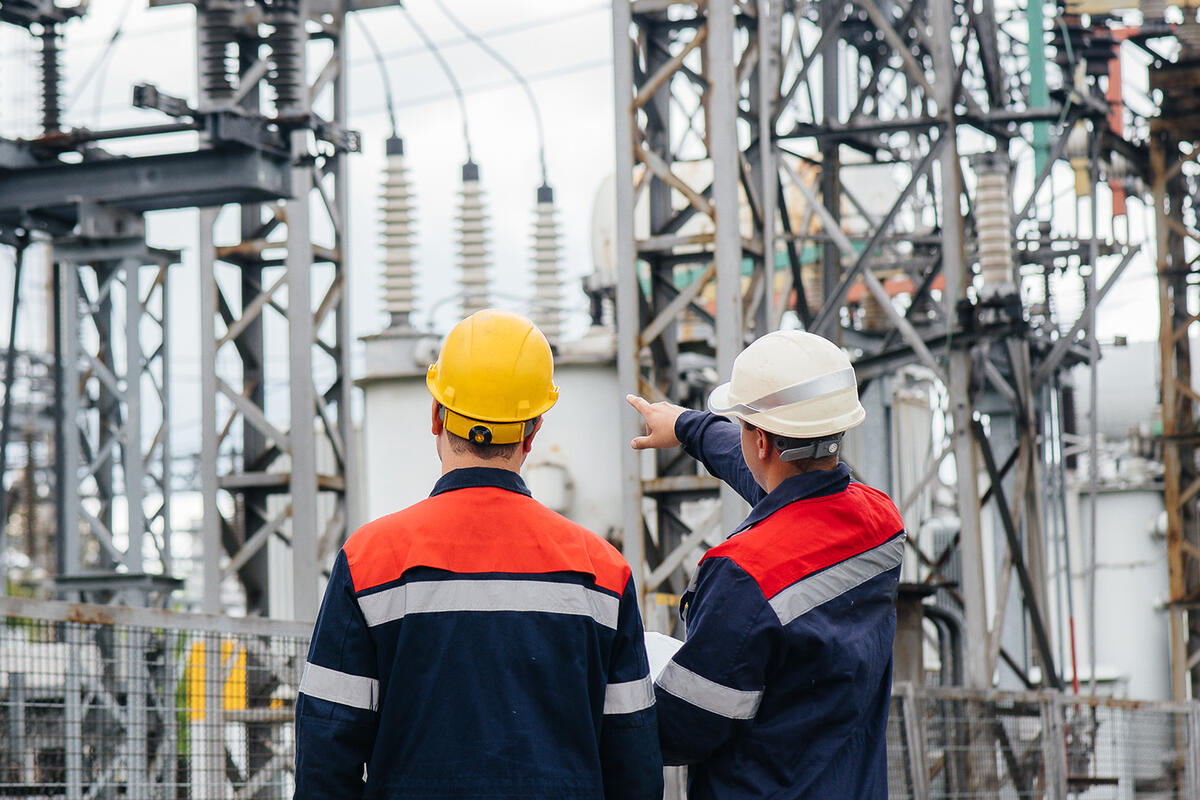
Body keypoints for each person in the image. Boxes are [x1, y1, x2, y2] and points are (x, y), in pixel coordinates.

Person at [296, 309, 663, 800]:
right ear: (533, 432)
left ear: (436, 415)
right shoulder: (601, 571)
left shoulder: (370, 560)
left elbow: (326, 753)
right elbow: (633, 763)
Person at [627, 329, 905, 799]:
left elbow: (682, 729)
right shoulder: (881, 524)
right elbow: (787, 491)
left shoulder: (743, 575)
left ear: (759, 442)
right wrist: (689, 428)